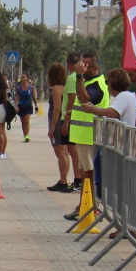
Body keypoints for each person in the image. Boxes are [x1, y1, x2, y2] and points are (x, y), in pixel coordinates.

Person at [65, 50, 111, 216]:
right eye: (80, 64)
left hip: (90, 136)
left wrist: (79, 76)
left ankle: (91, 207)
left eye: (85, 65)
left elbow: (85, 98)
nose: (81, 68)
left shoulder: (97, 84)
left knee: (88, 172)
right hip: (82, 136)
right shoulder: (88, 82)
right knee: (84, 171)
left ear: (95, 67)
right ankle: (83, 205)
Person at [44, 61, 73, 192]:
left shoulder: (56, 88)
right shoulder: (66, 87)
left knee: (60, 153)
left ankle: (63, 180)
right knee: (65, 152)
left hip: (56, 122)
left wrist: (52, 128)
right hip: (63, 121)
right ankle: (64, 179)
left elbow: (57, 108)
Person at [14, 73, 36, 142]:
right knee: (23, 122)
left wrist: (36, 105)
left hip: (28, 105)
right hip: (21, 105)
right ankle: (25, 135)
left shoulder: (31, 88)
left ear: (27, 79)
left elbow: (33, 97)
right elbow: (17, 97)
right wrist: (16, 105)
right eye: (21, 77)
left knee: (26, 120)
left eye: (24, 77)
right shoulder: (19, 88)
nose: (22, 78)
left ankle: (27, 135)